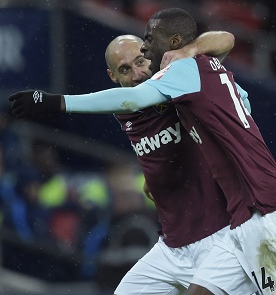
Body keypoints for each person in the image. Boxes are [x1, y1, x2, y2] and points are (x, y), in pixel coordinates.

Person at [8, 30, 257, 294]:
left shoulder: (180, 80)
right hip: (173, 247)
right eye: (125, 69)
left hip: (219, 238)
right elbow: (132, 108)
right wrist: (156, 176)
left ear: (151, 56)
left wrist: (189, 51)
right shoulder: (125, 110)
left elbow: (226, 39)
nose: (137, 74)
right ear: (112, 77)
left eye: (140, 62)